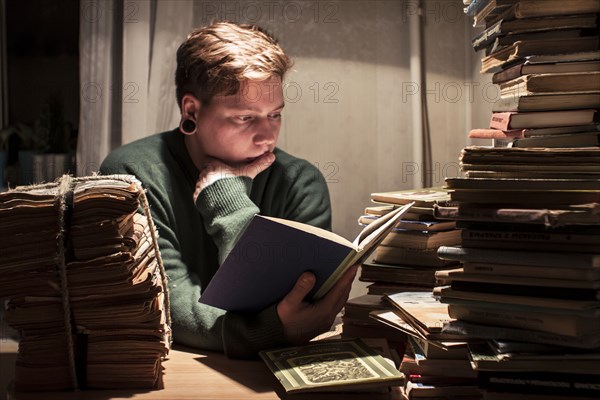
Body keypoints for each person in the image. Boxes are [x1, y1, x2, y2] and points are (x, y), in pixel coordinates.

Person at [99, 21, 357, 358]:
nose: (267, 136)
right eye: (245, 118)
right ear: (191, 110)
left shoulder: (301, 182)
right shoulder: (130, 174)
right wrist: (263, 332)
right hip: (173, 367)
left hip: (275, 371)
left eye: (275, 114)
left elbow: (297, 306)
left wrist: (228, 198)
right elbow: (163, 303)